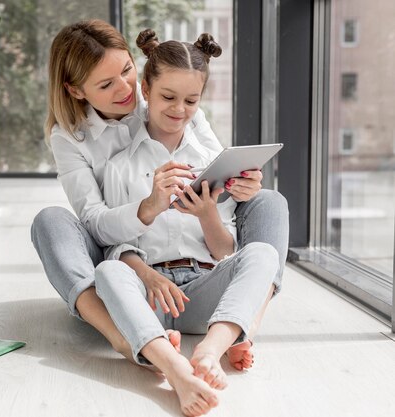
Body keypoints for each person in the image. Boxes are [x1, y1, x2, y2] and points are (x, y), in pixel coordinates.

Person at [30, 17, 288, 406]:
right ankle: (129, 339)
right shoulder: (83, 143)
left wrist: (237, 188)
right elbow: (99, 228)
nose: (126, 89)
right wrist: (148, 211)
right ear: (75, 90)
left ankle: (240, 330)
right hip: (131, 260)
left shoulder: (176, 103)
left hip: (201, 280)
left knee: (269, 205)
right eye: (106, 84)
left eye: (127, 71)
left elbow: (218, 182)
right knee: (75, 241)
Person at [94, 29, 279, 416]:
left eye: (191, 100)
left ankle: (212, 350)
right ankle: (171, 361)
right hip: (151, 296)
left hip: (203, 290)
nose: (180, 110)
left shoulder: (212, 159)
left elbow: (226, 253)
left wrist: (208, 212)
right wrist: (150, 272)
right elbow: (114, 244)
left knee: (262, 253)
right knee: (109, 270)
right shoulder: (120, 165)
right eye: (168, 97)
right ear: (145, 89)